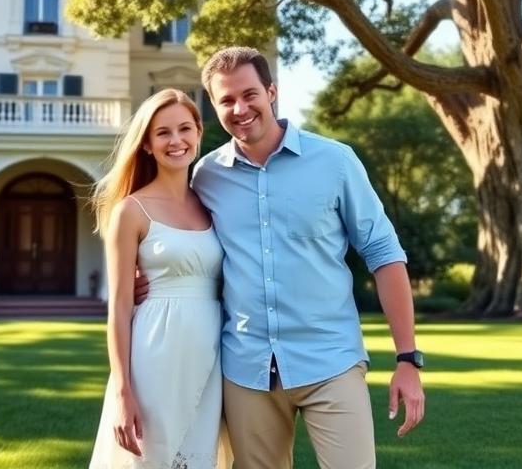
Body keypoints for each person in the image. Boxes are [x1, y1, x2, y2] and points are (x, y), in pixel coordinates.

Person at [137, 46, 425, 469]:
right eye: (226, 100)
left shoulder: (336, 161)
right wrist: (145, 275)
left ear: (271, 92)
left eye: (249, 94)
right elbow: (181, 238)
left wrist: (407, 359)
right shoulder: (206, 176)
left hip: (332, 361)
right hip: (247, 369)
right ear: (213, 108)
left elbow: (384, 254)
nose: (240, 108)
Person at [89, 88, 231, 469]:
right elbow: (118, 308)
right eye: (163, 133)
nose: (176, 140)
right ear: (147, 145)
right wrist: (123, 392)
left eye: (185, 128)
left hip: (210, 352)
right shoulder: (130, 211)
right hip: (154, 353)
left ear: (199, 133)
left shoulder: (211, 202)